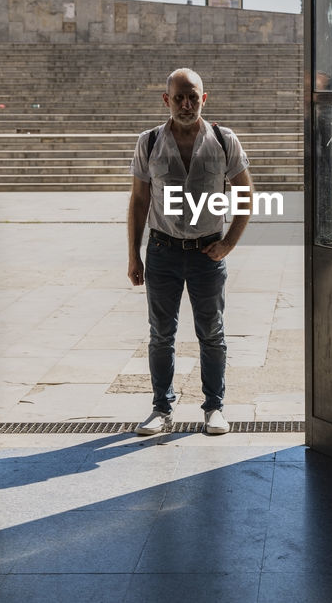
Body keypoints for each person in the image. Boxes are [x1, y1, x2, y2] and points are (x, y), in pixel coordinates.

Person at [127, 68, 252, 435]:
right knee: (160, 334)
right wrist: (134, 255)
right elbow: (138, 200)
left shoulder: (223, 139)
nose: (186, 104)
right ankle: (161, 409)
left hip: (206, 254)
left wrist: (229, 243)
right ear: (166, 100)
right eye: (178, 97)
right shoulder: (148, 142)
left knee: (212, 333)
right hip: (163, 250)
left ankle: (214, 408)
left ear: (204, 98)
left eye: (192, 97)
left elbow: (245, 194)